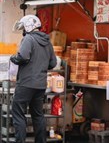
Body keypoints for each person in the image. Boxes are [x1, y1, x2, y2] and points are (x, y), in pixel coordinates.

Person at [10, 14, 57, 143]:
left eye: (23, 28)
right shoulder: (47, 42)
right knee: (38, 115)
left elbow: (23, 57)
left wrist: (13, 58)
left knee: (18, 113)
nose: (23, 31)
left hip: (25, 84)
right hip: (40, 85)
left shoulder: (29, 39)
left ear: (28, 26)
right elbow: (53, 63)